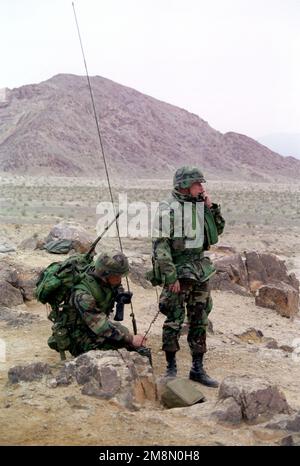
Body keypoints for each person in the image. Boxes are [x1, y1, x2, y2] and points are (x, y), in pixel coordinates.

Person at [151, 166, 225, 387]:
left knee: (200, 319)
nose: (202, 187)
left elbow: (217, 231)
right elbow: (160, 246)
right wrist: (171, 277)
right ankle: (171, 368)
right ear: (184, 185)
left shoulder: (200, 205)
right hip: (179, 270)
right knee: (173, 319)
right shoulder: (168, 209)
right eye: (198, 184)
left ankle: (197, 369)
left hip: (200, 269)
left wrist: (212, 208)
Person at [67, 250, 146, 355]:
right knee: (124, 345)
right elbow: (101, 327)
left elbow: (116, 286)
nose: (120, 280)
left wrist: (120, 294)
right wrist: (131, 339)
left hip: (94, 327)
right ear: (106, 274)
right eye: (118, 276)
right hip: (81, 337)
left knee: (124, 332)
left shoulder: (101, 278)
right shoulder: (83, 296)